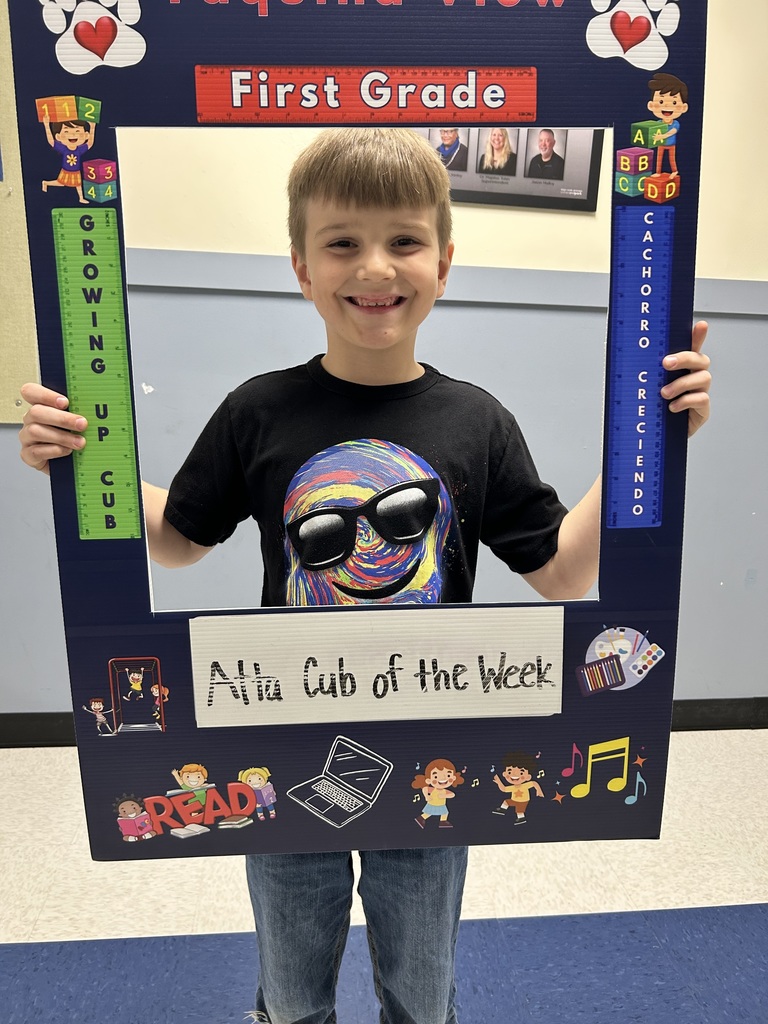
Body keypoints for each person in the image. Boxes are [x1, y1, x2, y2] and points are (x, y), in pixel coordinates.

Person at [19, 127, 711, 1024]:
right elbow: (179, 541)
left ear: (444, 263)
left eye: (404, 240)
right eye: (342, 242)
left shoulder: (477, 422)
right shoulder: (257, 411)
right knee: (294, 986)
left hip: (436, 750)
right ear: (302, 267)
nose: (375, 267)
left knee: (422, 995)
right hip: (281, 744)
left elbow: (563, 575)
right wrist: (88, 458)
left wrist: (643, 448)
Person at [647, 72, 689, 178]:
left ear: (683, 107)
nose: (666, 105)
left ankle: (674, 171)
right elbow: (652, 131)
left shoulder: (675, 123)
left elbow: (672, 132)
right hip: (661, 144)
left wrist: (661, 136)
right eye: (660, 101)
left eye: (674, 102)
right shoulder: (658, 123)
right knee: (659, 158)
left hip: (671, 145)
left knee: (671, 159)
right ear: (651, 105)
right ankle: (658, 172)